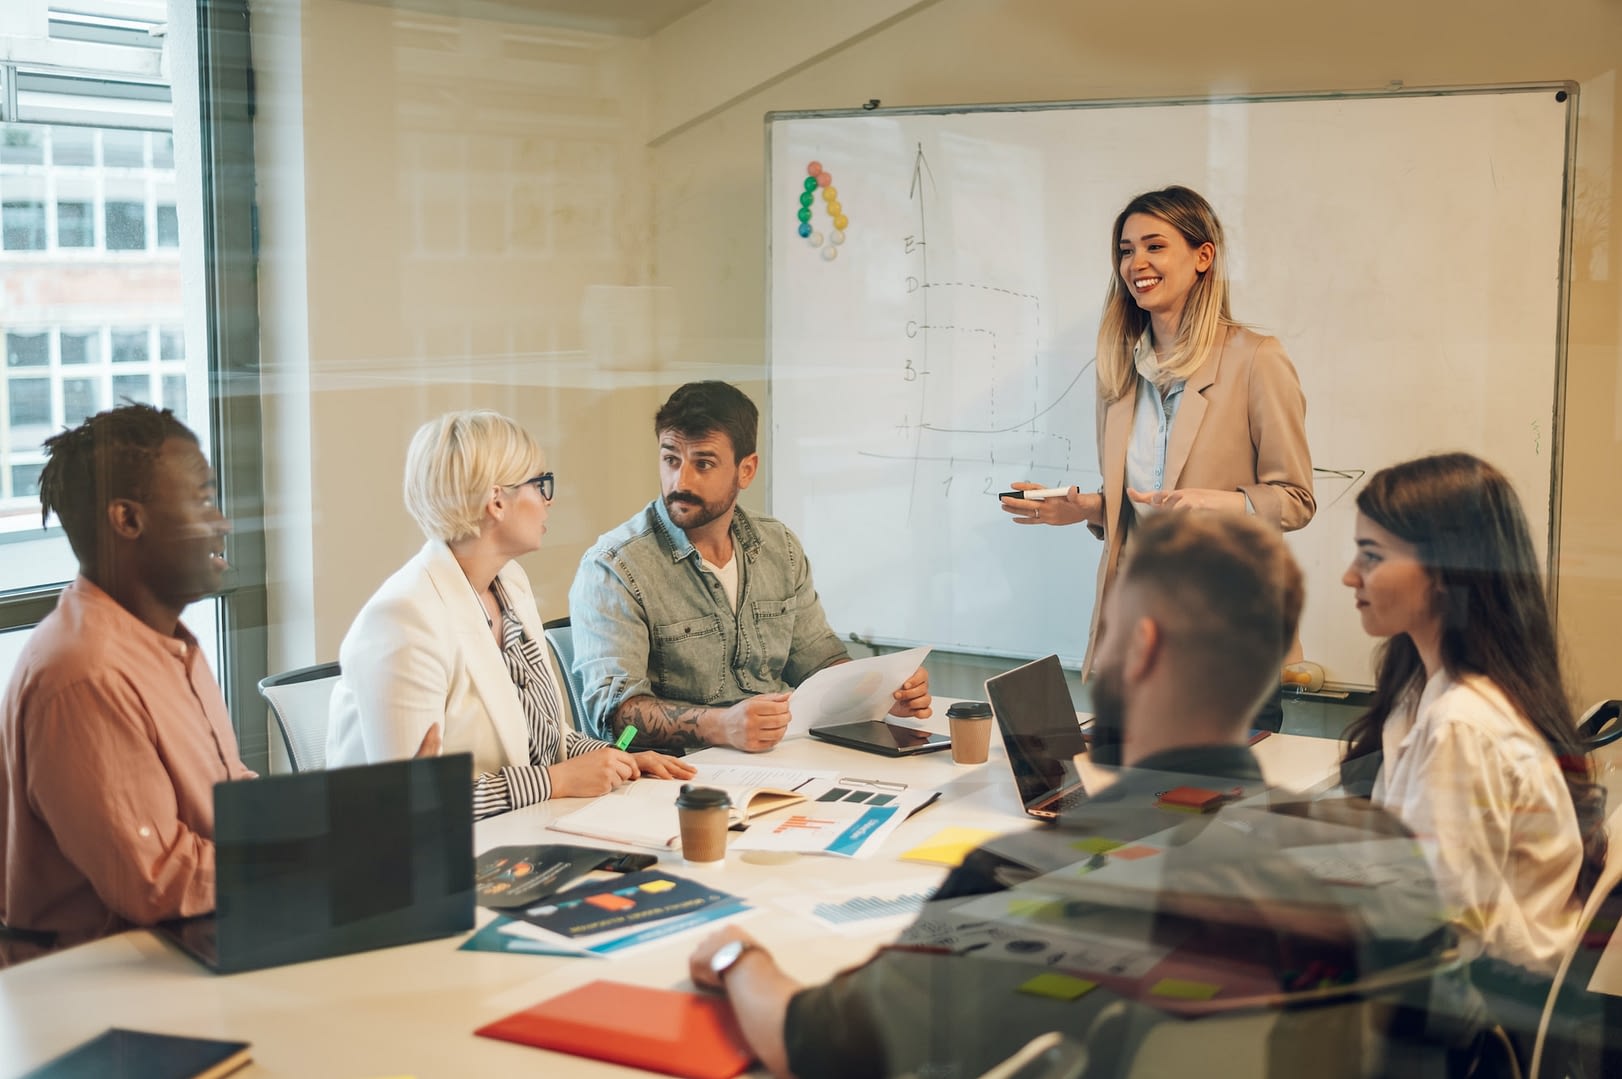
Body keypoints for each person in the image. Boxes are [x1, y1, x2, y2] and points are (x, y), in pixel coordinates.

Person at [688, 513, 1455, 1079]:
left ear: (1144, 647)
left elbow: (825, 1045)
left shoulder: (1037, 880)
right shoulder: (1373, 844)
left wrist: (734, 954)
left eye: (1109, 630)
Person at [1001, 186, 1314, 725]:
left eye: (1154, 246)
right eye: (1125, 250)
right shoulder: (1119, 372)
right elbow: (1141, 505)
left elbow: (1296, 500)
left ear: (1202, 256)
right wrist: (1082, 508)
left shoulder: (1256, 360)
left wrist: (1217, 504)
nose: (1136, 263)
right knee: (1127, 803)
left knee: (1213, 807)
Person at [326, 411, 692, 818]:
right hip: (416, 866)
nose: (548, 500)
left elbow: (545, 738)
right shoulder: (402, 619)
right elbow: (409, 804)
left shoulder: (508, 584)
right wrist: (557, 781)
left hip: (522, 834)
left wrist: (613, 757)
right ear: (497, 501)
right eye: (539, 485)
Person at [0, 405, 255, 964]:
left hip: (179, 949)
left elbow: (230, 802)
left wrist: (355, 810)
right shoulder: (83, 672)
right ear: (128, 520)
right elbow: (155, 879)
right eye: (203, 498)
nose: (222, 521)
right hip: (101, 988)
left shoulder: (167, 642)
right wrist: (312, 854)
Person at [1339, 453, 1606, 985]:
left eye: (1371, 556)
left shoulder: (1461, 724)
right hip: (1469, 986)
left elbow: (1441, 930)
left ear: (1444, 572)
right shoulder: (1436, 688)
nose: (1350, 577)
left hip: (1466, 1012)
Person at [569, 381, 931, 751]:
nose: (681, 481)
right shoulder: (614, 567)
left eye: (703, 463)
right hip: (674, 780)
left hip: (784, 759)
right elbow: (615, 723)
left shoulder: (778, 547)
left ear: (746, 470)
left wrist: (881, 694)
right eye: (671, 459)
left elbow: (819, 663)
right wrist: (721, 726)